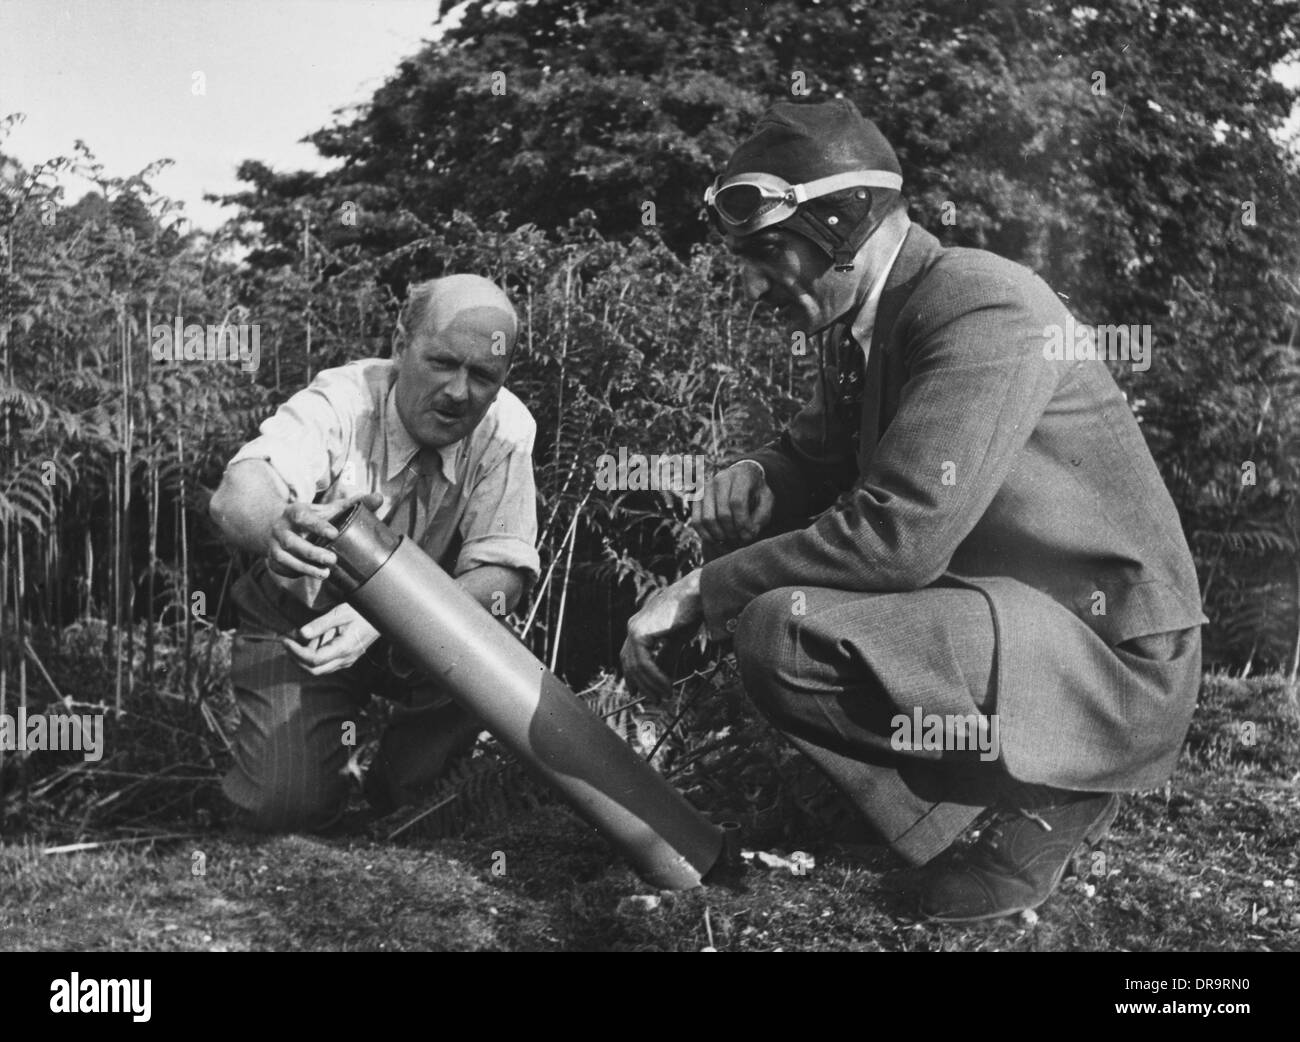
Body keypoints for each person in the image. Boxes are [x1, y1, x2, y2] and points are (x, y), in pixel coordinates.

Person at [620, 99, 1205, 921]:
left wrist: (698, 588)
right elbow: (816, 453)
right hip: (1007, 623)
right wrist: (756, 470)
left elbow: (895, 541)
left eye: (766, 253)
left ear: (843, 226)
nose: (749, 285)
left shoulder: (982, 305)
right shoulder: (869, 319)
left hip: (1105, 659)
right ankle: (959, 813)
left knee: (780, 628)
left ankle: (1056, 794)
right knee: (780, 629)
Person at [209, 274, 540, 831]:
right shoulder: (343, 398)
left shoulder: (507, 429)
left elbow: (502, 575)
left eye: (483, 375)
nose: (459, 392)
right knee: (282, 807)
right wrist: (276, 527)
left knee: (427, 800)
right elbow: (237, 495)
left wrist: (392, 619)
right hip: (302, 622)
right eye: (441, 362)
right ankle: (319, 773)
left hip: (426, 631)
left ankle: (398, 783)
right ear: (398, 344)